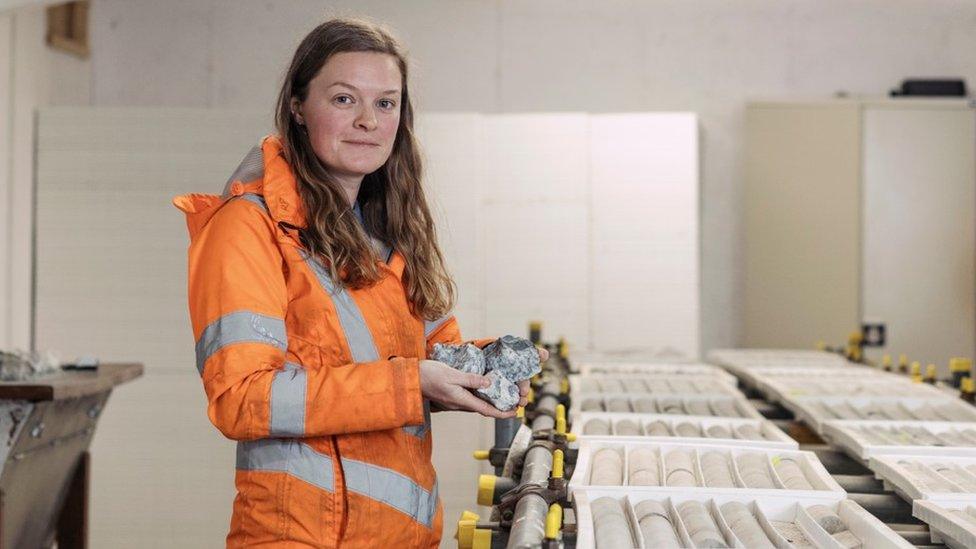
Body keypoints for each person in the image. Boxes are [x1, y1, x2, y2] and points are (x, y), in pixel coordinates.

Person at [173, 18, 545, 548]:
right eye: (344, 99)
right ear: (299, 108)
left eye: (386, 103)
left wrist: (487, 367)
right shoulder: (249, 227)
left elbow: (430, 355)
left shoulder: (391, 231)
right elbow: (243, 398)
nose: (368, 121)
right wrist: (412, 382)